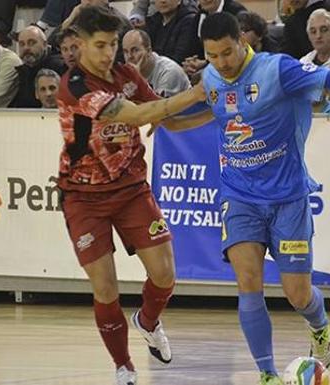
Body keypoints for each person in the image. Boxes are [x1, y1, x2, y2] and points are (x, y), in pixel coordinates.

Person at [156, 12, 330, 385]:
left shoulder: (278, 71)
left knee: (297, 294)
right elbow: (211, 110)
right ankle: (267, 374)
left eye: (228, 53)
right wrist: (165, 119)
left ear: (243, 42)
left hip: (288, 197)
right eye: (212, 55)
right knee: (248, 282)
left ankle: (319, 325)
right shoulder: (212, 77)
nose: (222, 63)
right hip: (239, 195)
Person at [55, 6, 208, 385]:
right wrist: (201, 90)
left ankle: (148, 321)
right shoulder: (75, 87)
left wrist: (217, 113)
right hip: (83, 196)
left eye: (113, 45)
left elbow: (166, 118)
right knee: (105, 287)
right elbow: (140, 116)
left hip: (131, 190)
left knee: (165, 274)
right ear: (81, 46)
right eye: (101, 45)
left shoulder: (126, 74)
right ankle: (124, 367)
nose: (109, 53)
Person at [122, 29, 191, 97]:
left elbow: (161, 106)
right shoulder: (125, 73)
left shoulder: (169, 72)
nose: (129, 56)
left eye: (135, 50)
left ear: (149, 51)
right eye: (125, 52)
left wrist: (137, 79)